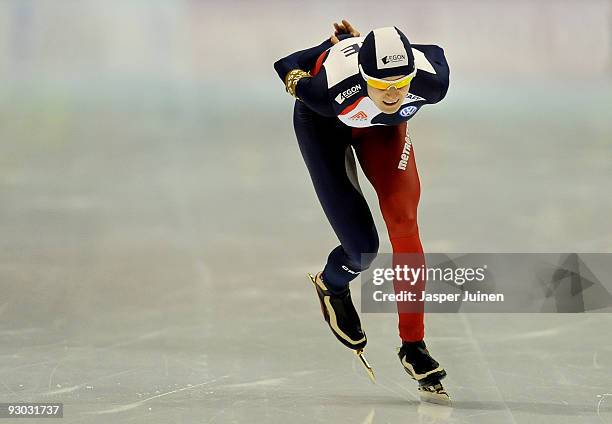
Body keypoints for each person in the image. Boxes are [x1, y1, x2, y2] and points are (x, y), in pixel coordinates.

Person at [274, 20, 451, 404]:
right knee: (362, 249)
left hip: (384, 134)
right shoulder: (328, 90)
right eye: (382, 84)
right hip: (325, 127)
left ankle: (414, 346)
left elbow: (430, 51)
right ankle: (333, 284)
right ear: (362, 74)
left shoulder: (431, 81)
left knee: (404, 225)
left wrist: (375, 44)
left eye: (401, 84)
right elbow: (286, 63)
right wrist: (330, 46)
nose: (392, 94)